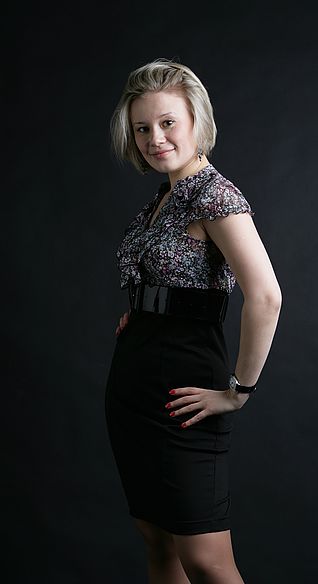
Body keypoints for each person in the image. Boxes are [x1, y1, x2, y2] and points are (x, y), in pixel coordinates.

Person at [105, 58, 282, 584]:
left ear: (195, 121)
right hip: (134, 386)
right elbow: (170, 278)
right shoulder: (163, 196)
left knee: (205, 559)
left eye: (167, 123)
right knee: (157, 540)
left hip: (184, 388)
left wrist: (238, 390)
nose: (155, 139)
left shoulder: (214, 195)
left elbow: (266, 296)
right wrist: (142, 313)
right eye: (142, 128)